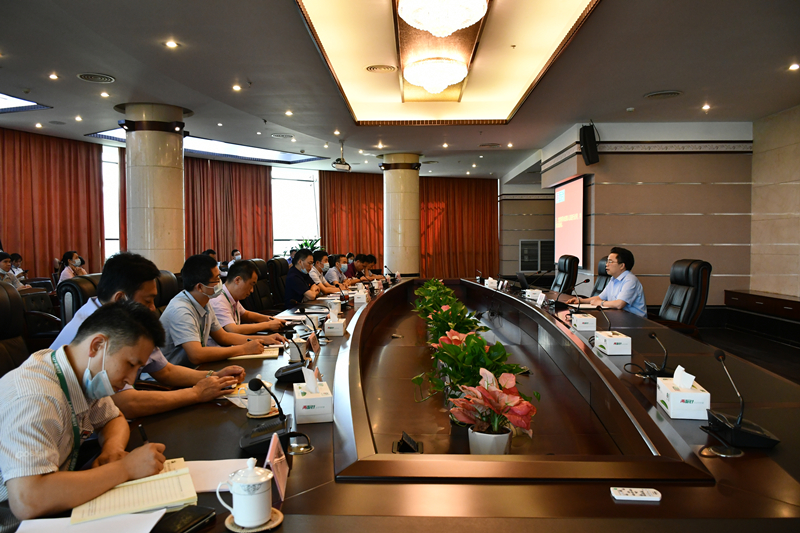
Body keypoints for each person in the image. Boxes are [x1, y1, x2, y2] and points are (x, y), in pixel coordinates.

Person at [0, 300, 168, 520]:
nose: (130, 379)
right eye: (130, 364)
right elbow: (27, 500)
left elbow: (114, 418)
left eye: (138, 368)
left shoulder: (78, 373)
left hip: (56, 497)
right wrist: (125, 468)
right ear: (97, 346)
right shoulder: (35, 397)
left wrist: (112, 450)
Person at [49, 252, 246, 419]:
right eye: (148, 301)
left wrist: (214, 376)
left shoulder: (128, 321)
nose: (153, 309)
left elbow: (165, 371)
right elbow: (126, 403)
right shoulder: (96, 332)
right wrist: (196, 393)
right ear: (121, 299)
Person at [160, 254, 286, 367]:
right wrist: (244, 349)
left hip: (194, 368)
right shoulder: (181, 310)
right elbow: (196, 355)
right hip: (170, 378)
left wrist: (264, 339)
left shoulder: (204, 301)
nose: (220, 283)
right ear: (200, 287)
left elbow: (223, 336)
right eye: (216, 280)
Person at [208, 260, 287, 335]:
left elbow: (246, 314)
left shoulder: (230, 295)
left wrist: (271, 319)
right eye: (251, 284)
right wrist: (268, 325)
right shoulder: (218, 300)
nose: (252, 290)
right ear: (237, 280)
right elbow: (233, 330)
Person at [566, 247, 647, 317]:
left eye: (610, 262)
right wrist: (581, 301)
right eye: (607, 261)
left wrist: (601, 303)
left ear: (622, 266)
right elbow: (600, 297)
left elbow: (619, 304)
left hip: (634, 321)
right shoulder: (613, 279)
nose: (606, 264)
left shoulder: (630, 280)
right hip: (618, 317)